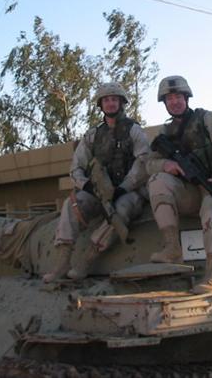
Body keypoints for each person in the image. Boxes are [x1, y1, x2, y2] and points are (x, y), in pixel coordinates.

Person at [43, 82, 150, 282]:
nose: (110, 104)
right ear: (101, 105)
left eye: (114, 100)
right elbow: (76, 167)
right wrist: (86, 186)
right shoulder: (93, 135)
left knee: (120, 211)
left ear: (121, 103)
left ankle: (87, 260)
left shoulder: (134, 130)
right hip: (99, 192)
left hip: (129, 192)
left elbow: (143, 163)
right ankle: (62, 261)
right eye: (106, 100)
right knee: (72, 204)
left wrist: (123, 187)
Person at [146, 75, 212, 294]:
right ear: (165, 103)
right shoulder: (165, 132)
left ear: (186, 97)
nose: (174, 102)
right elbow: (148, 165)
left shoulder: (208, 119)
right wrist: (166, 164)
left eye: (178, 96)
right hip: (190, 190)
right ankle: (172, 248)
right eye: (169, 99)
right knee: (157, 180)